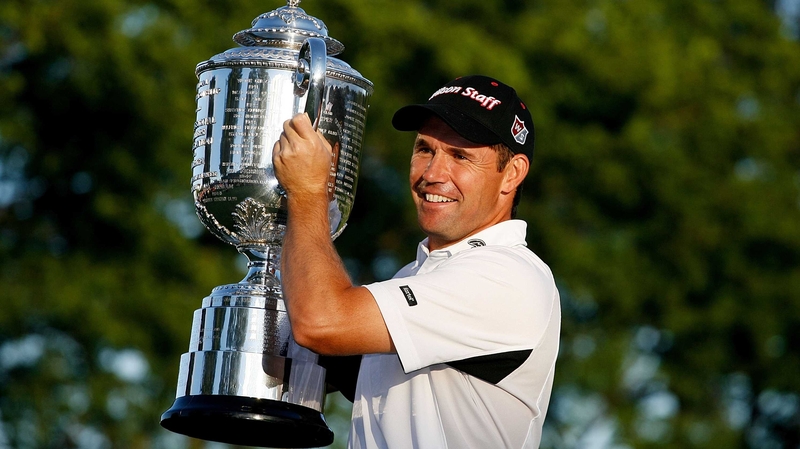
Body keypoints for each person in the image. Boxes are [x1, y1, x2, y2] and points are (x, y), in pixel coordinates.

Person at [273, 75, 561, 449]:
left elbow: (321, 321)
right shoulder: (414, 275)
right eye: (425, 149)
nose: (432, 174)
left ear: (512, 174)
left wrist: (308, 191)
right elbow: (313, 358)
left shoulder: (510, 276)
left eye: (460, 156)